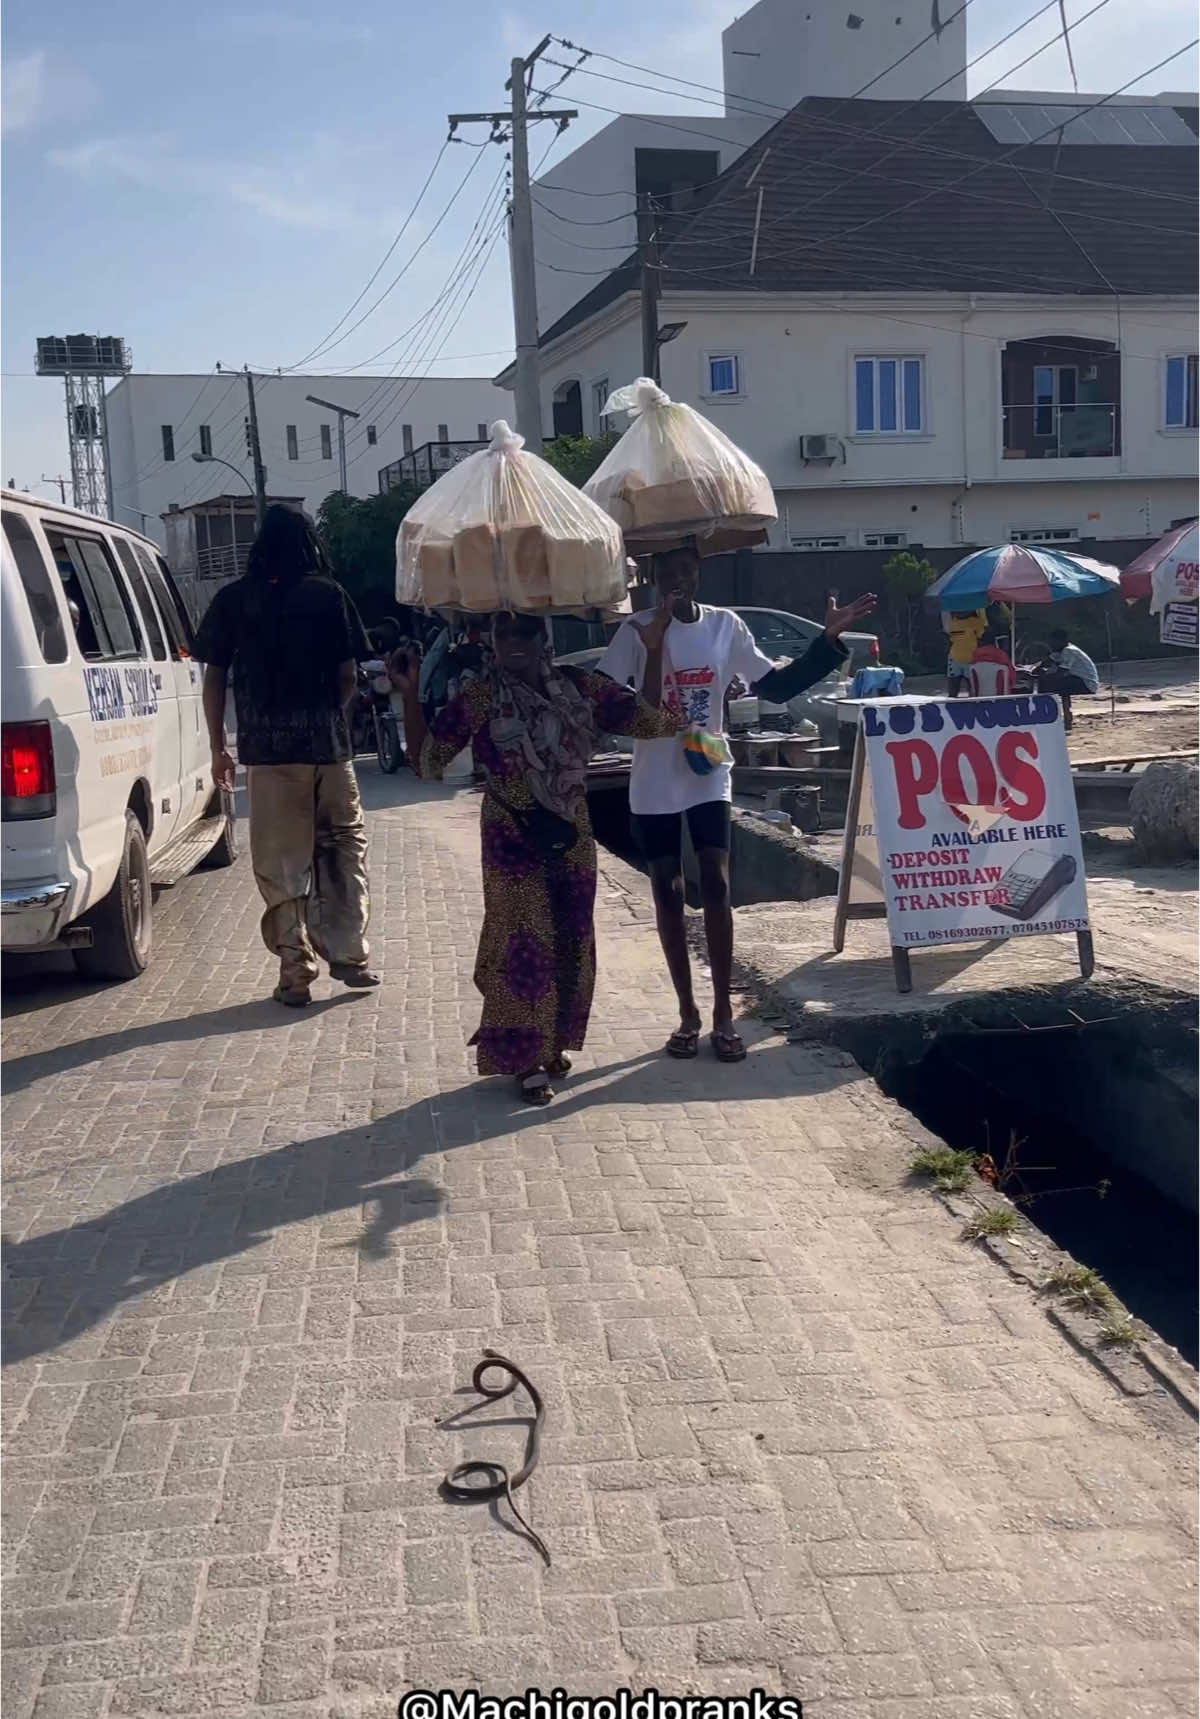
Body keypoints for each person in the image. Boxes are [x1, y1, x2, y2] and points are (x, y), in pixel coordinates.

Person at [598, 545, 876, 1063]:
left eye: (687, 568)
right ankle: (687, 1012)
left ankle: (724, 1012)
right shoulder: (634, 631)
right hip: (654, 779)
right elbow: (626, 708)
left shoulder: (725, 627)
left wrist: (827, 640)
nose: (677, 577)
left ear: (699, 572)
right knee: (667, 891)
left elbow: (775, 687)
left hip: (706, 773)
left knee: (718, 883)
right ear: (652, 577)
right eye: (667, 570)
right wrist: (654, 648)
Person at [394, 607, 678, 1106]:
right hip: (510, 833)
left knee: (572, 938)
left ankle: (551, 1044)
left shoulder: (579, 688)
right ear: (492, 640)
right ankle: (524, 1059)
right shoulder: (480, 696)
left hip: (572, 829)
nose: (514, 641)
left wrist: (653, 651)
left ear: (543, 637)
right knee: (524, 940)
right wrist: (410, 691)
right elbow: (427, 762)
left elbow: (650, 721)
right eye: (504, 632)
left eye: (525, 630)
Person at [195, 505, 380, 1008]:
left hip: (268, 752)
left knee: (281, 863)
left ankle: (296, 969)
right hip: (327, 751)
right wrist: (328, 720)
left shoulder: (233, 600)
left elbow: (214, 678)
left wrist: (219, 748)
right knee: (342, 849)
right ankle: (350, 956)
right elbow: (347, 676)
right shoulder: (328, 595)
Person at [1034, 627, 1100, 730]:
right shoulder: (1060, 651)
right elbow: (1046, 662)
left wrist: (1043, 676)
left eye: (1053, 642)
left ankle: (1045, 716)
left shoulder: (1069, 651)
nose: (1051, 644)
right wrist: (1035, 670)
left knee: (1046, 684)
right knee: (1053, 683)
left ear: (1061, 641)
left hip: (1087, 683)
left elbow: (1061, 673)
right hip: (1076, 680)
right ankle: (1064, 717)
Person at [945, 608, 988, 697]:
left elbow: (981, 637)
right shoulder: (952, 622)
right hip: (956, 659)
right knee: (954, 691)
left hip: (970, 660)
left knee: (971, 690)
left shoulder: (975, 622)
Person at [968, 629, 1016, 697]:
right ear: (994, 642)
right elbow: (1011, 677)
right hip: (1000, 694)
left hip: (979, 695)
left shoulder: (975, 654)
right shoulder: (1001, 654)